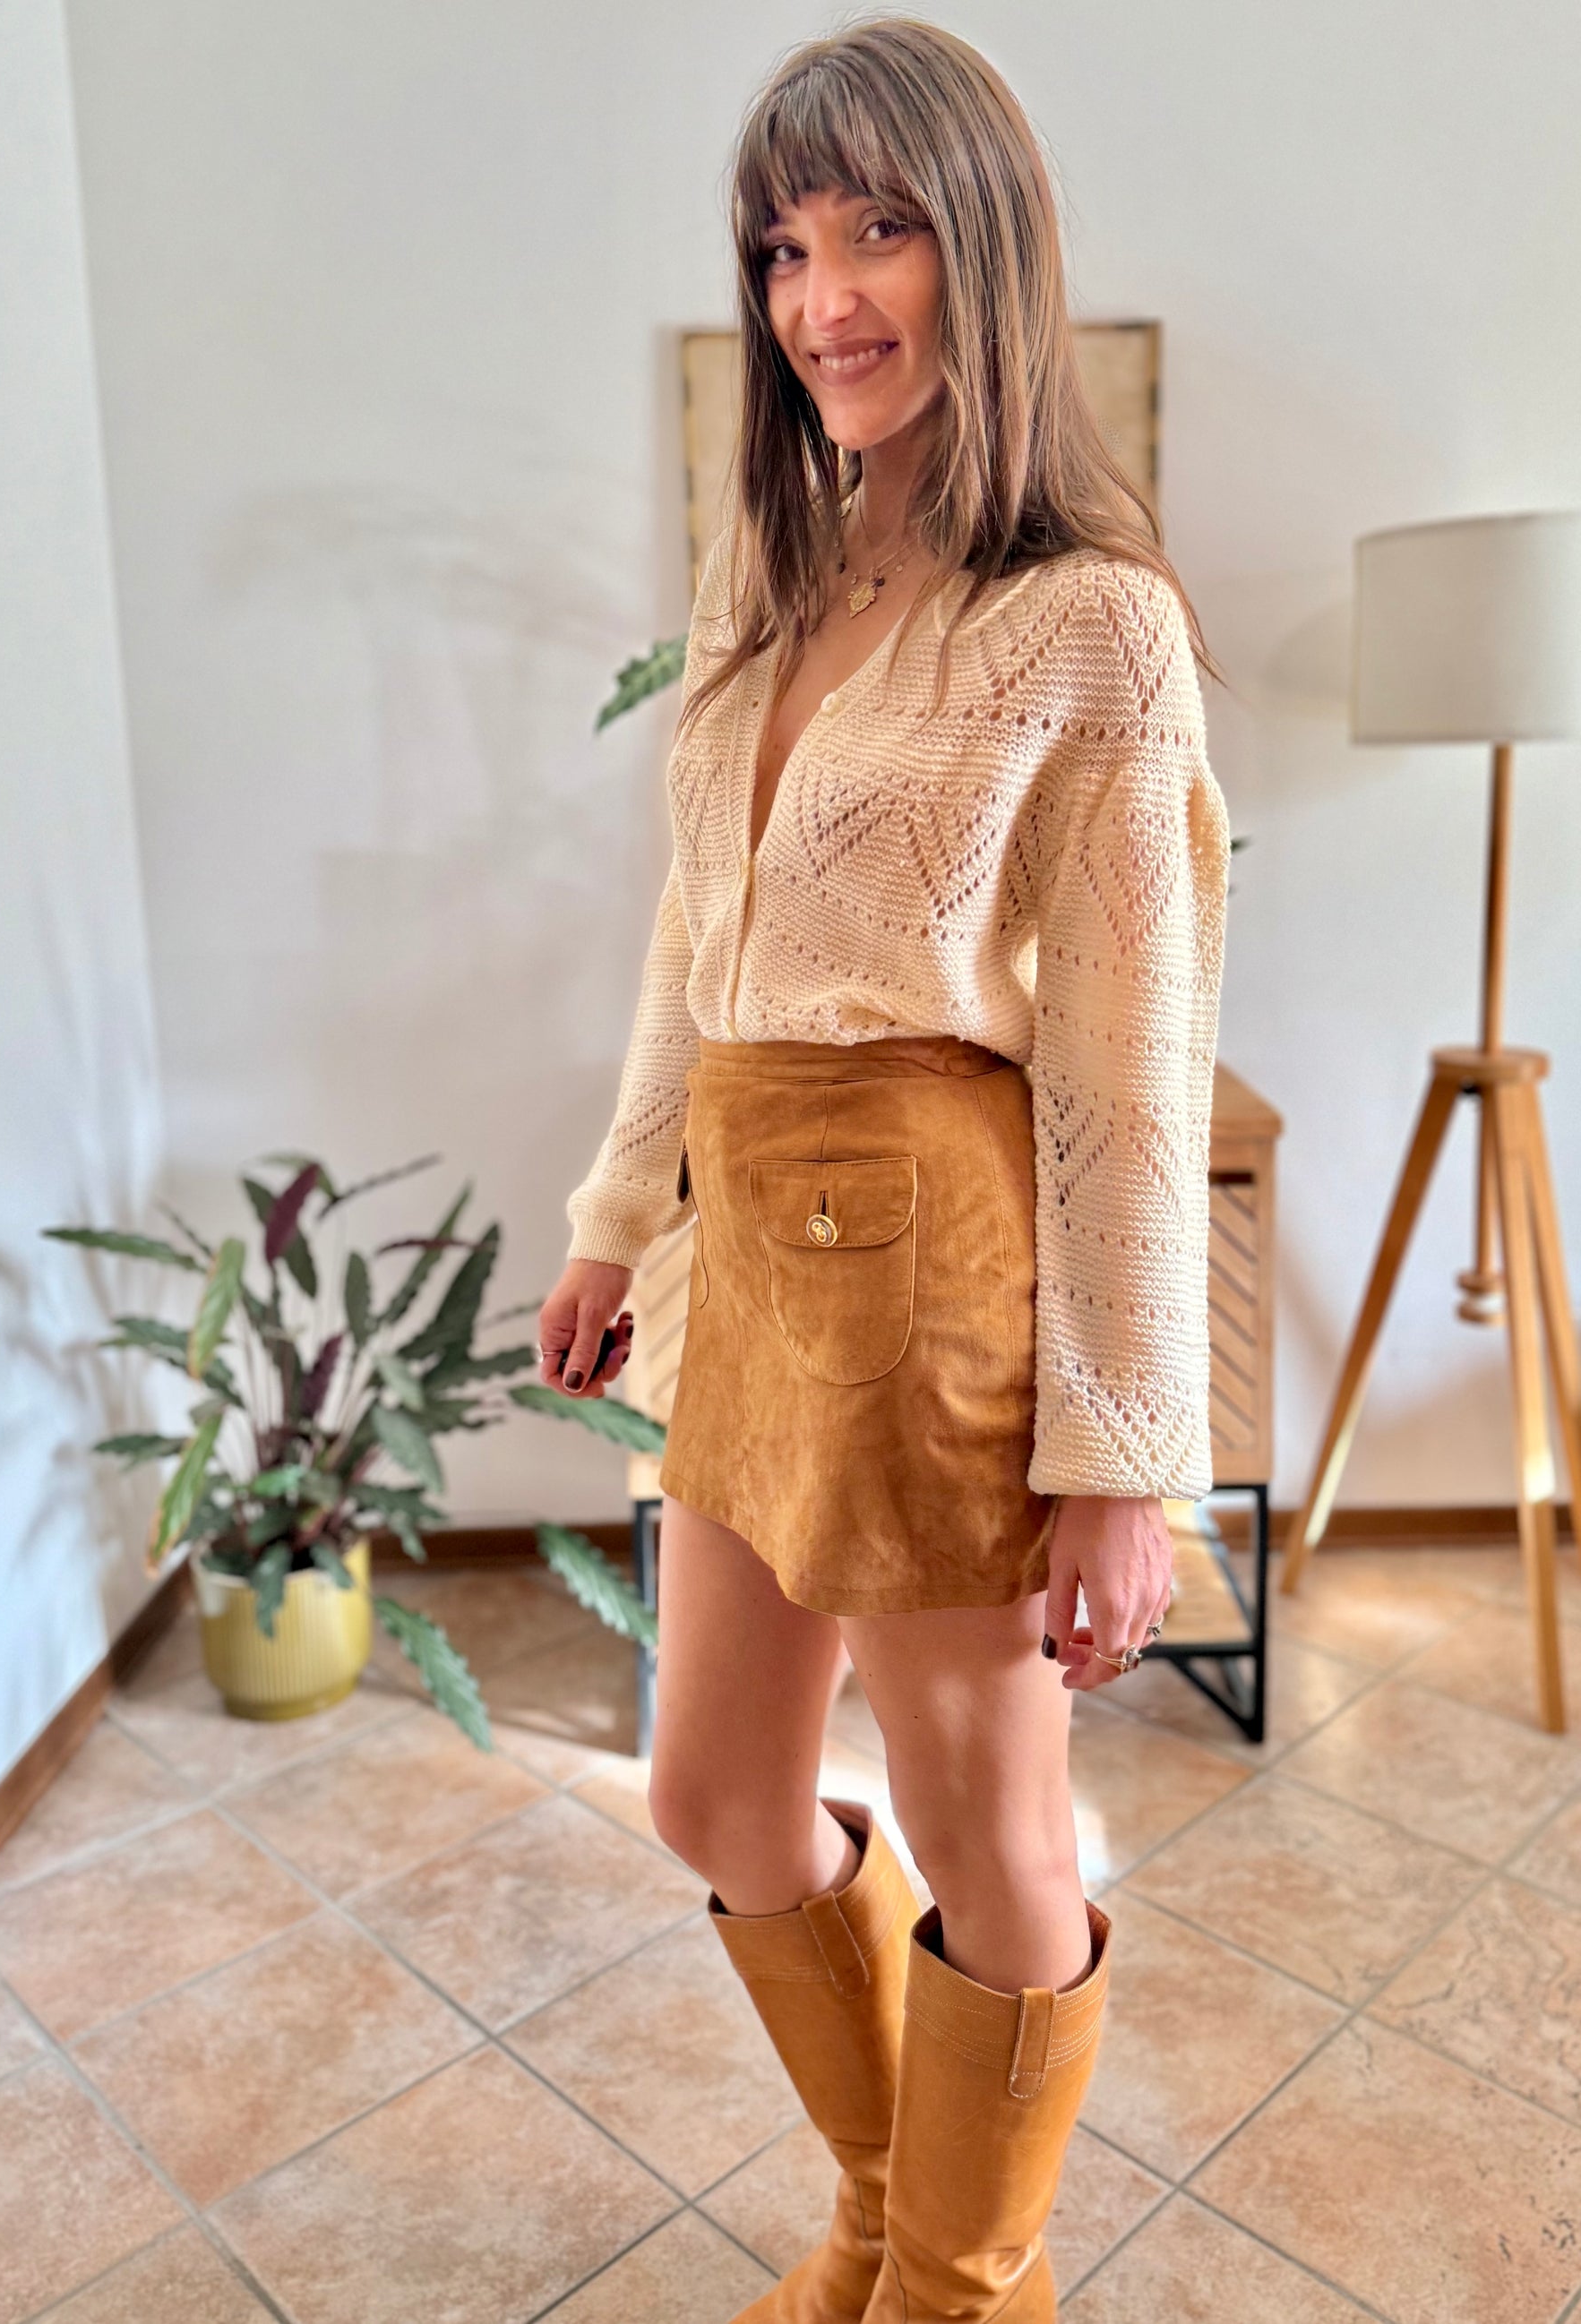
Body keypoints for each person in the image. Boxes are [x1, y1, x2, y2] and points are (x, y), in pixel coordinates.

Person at [537, 18, 1229, 2320]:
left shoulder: (1088, 621)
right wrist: (617, 1211)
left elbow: (1130, 1066)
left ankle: (956, 2283)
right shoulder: (773, 589)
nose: (822, 297)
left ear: (985, 251)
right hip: (754, 1241)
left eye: (879, 231)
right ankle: (886, 2214)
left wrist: (1120, 1454)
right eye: (780, 248)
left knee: (984, 1819)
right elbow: (696, 932)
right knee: (715, 1797)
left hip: (939, 1253)